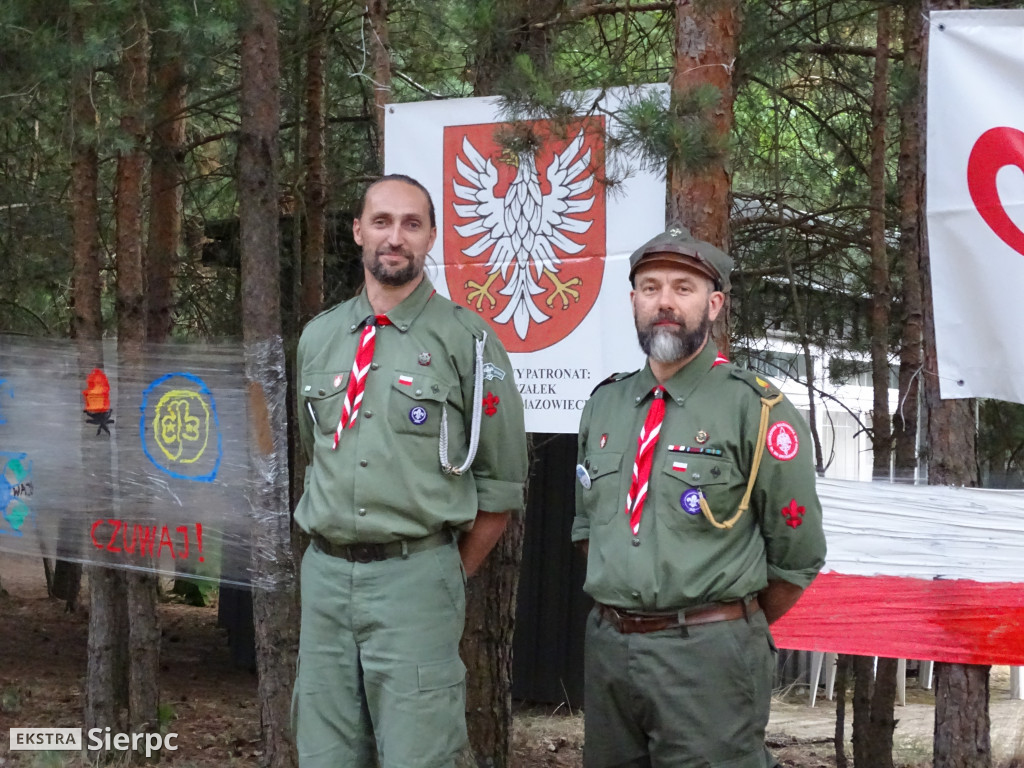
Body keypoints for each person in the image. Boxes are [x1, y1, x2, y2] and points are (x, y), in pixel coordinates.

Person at [292, 174, 528, 768]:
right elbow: (314, 449)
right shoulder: (319, 339)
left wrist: (444, 570)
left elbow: (499, 487)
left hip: (416, 579)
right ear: (357, 232)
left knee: (421, 755)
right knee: (324, 753)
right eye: (381, 222)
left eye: (411, 224)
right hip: (323, 581)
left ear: (431, 239)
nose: (394, 237)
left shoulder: (468, 340)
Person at [571, 224, 826, 768]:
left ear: (713, 305)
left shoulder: (755, 409)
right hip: (610, 651)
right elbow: (587, 532)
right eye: (650, 287)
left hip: (707, 659)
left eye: (682, 288)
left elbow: (797, 555)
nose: (664, 301)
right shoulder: (605, 406)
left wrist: (724, 622)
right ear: (633, 301)